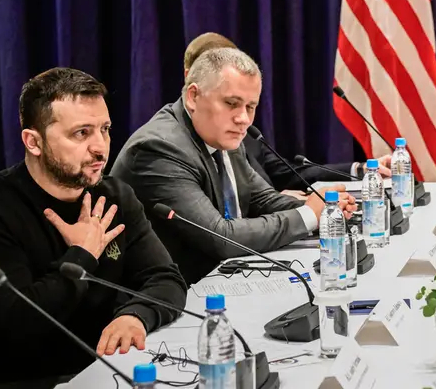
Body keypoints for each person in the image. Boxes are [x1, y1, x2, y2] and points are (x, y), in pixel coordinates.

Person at [0, 68, 187, 388]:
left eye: (105, 129)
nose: (101, 148)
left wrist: (137, 315)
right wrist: (82, 255)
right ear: (33, 142)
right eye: (81, 133)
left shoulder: (114, 197)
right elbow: (16, 326)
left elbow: (166, 278)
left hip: (106, 370)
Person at [112, 48, 356, 283]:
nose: (243, 119)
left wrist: (326, 209)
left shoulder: (222, 134)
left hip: (214, 279)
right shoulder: (160, 148)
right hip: (157, 299)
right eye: (231, 103)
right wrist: (308, 215)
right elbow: (222, 238)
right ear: (193, 96)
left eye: (250, 107)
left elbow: (264, 200)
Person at [183, 32, 391, 198]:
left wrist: (361, 169)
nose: (242, 117)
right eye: (230, 102)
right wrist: (278, 202)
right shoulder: (175, 144)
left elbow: (288, 172)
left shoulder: (242, 127)